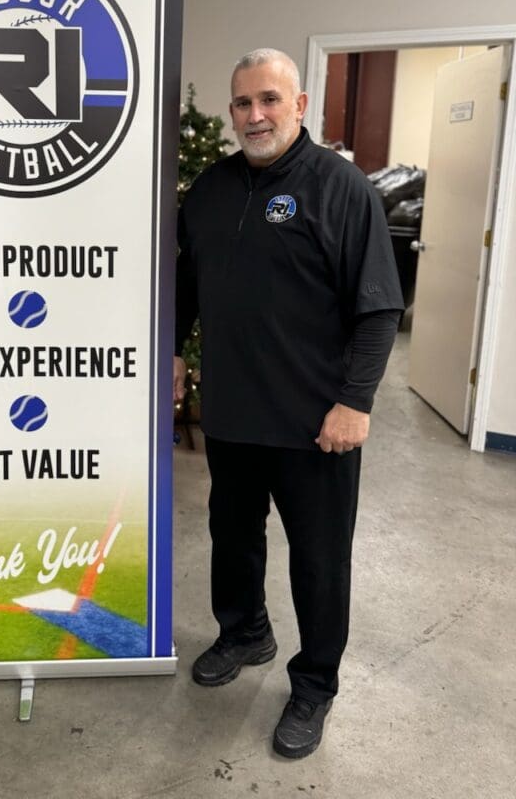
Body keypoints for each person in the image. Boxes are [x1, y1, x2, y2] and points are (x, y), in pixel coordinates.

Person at [174, 48, 403, 760]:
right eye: (242, 103)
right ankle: (245, 632)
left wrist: (355, 402)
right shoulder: (210, 191)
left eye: (269, 100)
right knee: (233, 538)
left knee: (320, 558)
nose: (255, 115)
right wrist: (177, 351)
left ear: (299, 106)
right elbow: (186, 283)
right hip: (236, 415)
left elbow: (378, 310)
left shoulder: (342, 190)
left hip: (318, 426)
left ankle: (314, 685)